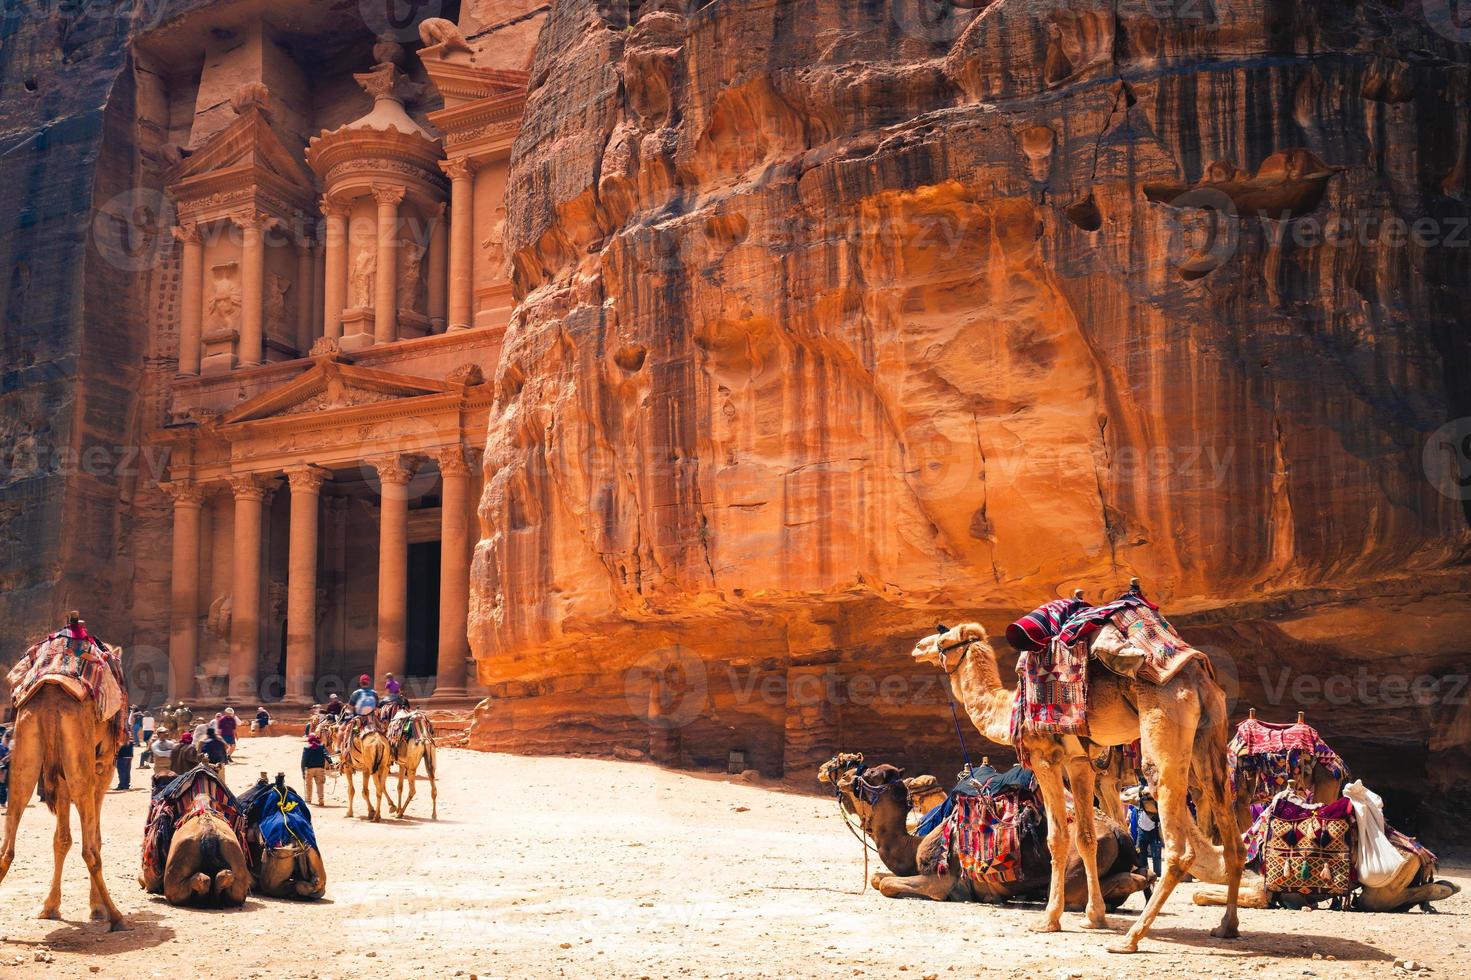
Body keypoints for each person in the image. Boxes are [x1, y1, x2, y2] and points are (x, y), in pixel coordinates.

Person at [301, 734, 327, 807]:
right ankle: (321, 800)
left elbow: (303, 761)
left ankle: (309, 800)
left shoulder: (306, 748)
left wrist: (303, 772)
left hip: (309, 769)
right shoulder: (321, 746)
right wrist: (331, 763)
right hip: (320, 769)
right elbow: (326, 755)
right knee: (320, 785)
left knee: (309, 785)